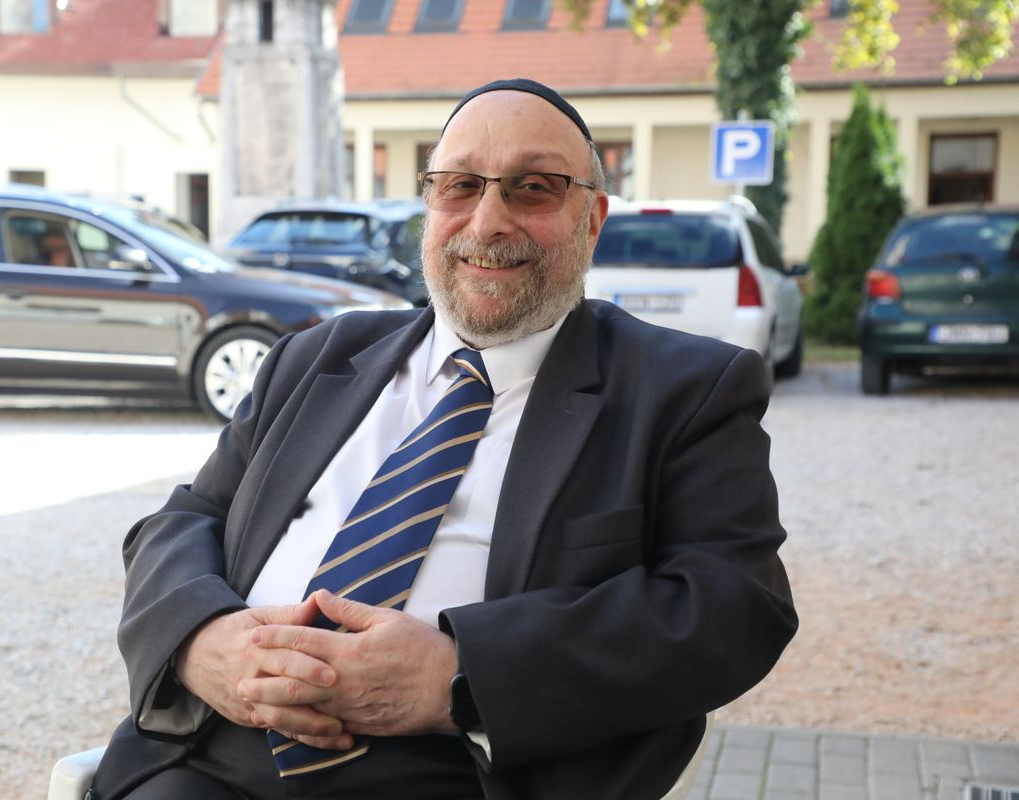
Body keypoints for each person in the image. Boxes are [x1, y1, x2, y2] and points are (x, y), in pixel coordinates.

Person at [91, 78, 797, 800]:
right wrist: (201, 640)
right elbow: (188, 518)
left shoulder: (682, 390)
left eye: (533, 188)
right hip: (214, 757)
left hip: (465, 769)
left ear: (592, 220)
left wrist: (459, 677)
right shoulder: (317, 357)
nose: (487, 222)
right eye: (460, 185)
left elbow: (735, 604)